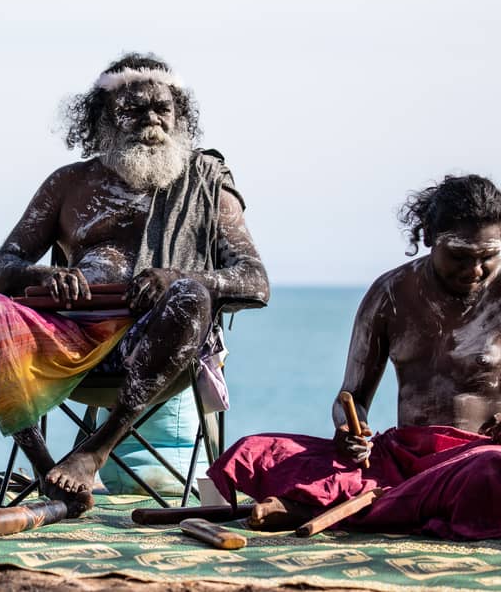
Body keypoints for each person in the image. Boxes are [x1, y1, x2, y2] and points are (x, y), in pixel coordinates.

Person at [0, 52, 269, 516]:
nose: (152, 120)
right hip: (65, 343)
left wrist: (175, 277)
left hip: (158, 347)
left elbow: (254, 281)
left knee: (189, 295)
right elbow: (1, 268)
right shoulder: (67, 183)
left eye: (162, 108)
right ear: (104, 117)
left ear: (179, 113)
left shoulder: (206, 183)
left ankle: (94, 450)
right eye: (135, 108)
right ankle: (46, 467)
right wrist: (43, 275)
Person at [209, 174, 501, 540]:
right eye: (459, 256)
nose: (474, 271)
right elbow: (351, 399)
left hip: (479, 459)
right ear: (428, 236)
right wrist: (349, 430)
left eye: (488, 257)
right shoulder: (390, 294)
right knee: (257, 450)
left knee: (492, 469)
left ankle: (352, 507)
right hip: (403, 460)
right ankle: (394, 506)